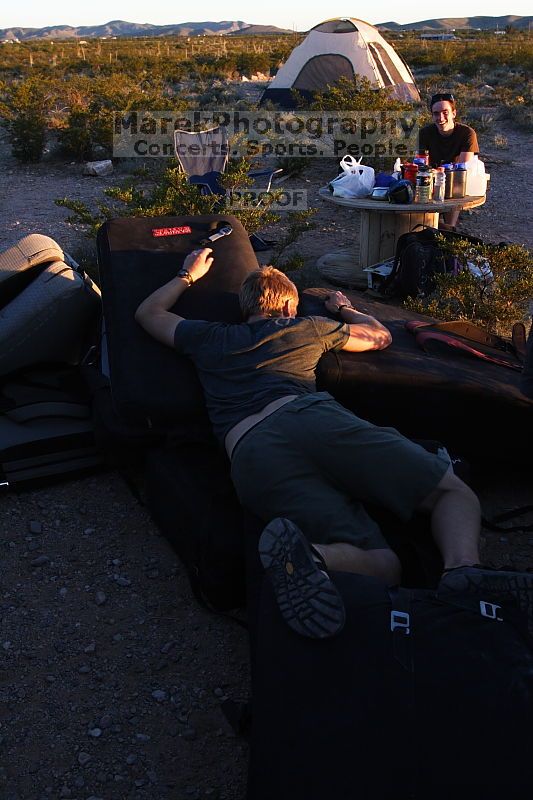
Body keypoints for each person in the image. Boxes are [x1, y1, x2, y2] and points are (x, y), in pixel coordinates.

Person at [136, 250, 533, 640]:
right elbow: (379, 337)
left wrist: (186, 275)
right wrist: (343, 308)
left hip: (248, 454)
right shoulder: (305, 327)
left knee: (383, 564)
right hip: (308, 417)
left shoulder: (208, 336)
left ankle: (312, 558)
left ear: (245, 309)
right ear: (289, 306)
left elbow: (148, 315)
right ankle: (463, 573)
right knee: (450, 491)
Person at [419, 92, 480, 230]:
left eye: (445, 112)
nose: (440, 118)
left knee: (454, 182)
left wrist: (438, 171)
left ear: (454, 113)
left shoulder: (467, 133)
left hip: (456, 180)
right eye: (436, 113)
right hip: (432, 178)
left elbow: (462, 167)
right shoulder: (425, 133)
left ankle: (449, 229)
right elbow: (421, 163)